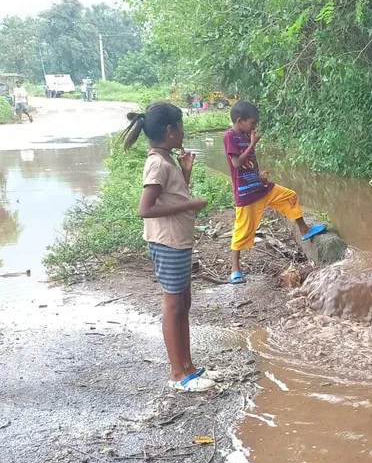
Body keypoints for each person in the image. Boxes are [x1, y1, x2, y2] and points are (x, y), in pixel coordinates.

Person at [124, 103, 217, 393]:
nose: (184, 131)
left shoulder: (167, 160)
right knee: (173, 305)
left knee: (183, 304)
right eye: (181, 126)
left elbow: (171, 196)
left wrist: (186, 173)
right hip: (167, 242)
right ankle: (177, 373)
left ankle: (188, 365)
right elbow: (145, 208)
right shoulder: (157, 164)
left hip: (178, 239)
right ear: (170, 131)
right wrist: (191, 204)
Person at [224, 100, 325, 284]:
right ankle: (235, 268)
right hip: (247, 194)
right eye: (252, 122)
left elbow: (249, 165)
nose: (254, 126)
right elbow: (237, 163)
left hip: (260, 187)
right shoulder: (230, 136)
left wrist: (259, 175)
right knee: (242, 230)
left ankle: (304, 228)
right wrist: (252, 144)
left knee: (290, 195)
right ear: (240, 121)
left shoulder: (246, 135)